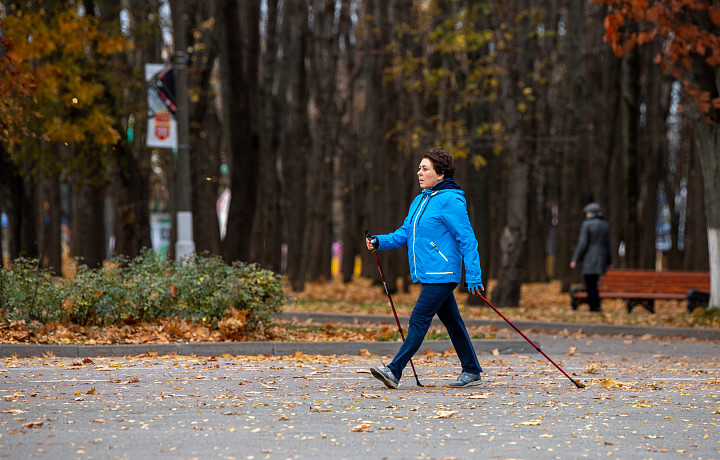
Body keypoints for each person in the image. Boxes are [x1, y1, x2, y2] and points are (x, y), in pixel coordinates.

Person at [365, 148, 484, 389]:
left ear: (440, 174)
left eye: (425, 168)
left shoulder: (451, 199)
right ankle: (471, 370)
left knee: (419, 319)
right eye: (419, 168)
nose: (419, 172)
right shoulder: (419, 201)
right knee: (453, 322)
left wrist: (473, 274)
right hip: (430, 274)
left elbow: (467, 238)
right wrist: (379, 241)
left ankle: (394, 371)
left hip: (443, 273)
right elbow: (405, 234)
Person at [570, 202, 612, 312]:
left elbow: (582, 243)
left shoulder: (587, 225)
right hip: (601, 259)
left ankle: (593, 306)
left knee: (590, 284)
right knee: (595, 284)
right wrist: (609, 261)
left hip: (589, 259)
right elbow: (607, 245)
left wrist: (575, 259)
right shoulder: (605, 225)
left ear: (590, 213)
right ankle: (596, 305)